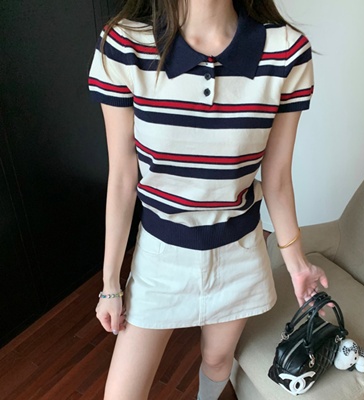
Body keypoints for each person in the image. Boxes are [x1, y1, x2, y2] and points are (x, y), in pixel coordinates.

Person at [88, 0, 328, 399]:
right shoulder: (124, 46)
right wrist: (110, 283)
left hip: (239, 255)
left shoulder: (286, 51)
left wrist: (297, 264)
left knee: (218, 361)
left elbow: (277, 178)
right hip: (161, 256)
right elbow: (123, 177)